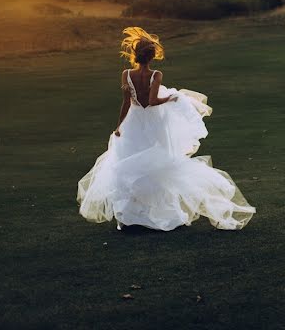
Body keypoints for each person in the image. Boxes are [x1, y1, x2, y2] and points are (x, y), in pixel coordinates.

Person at [77, 27, 255, 231]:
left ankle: (131, 216)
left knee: (130, 165)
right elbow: (152, 101)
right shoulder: (156, 75)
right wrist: (170, 98)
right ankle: (160, 214)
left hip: (134, 122)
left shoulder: (126, 74)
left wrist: (119, 125)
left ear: (135, 56)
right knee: (159, 164)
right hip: (154, 122)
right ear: (152, 57)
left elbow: (126, 103)